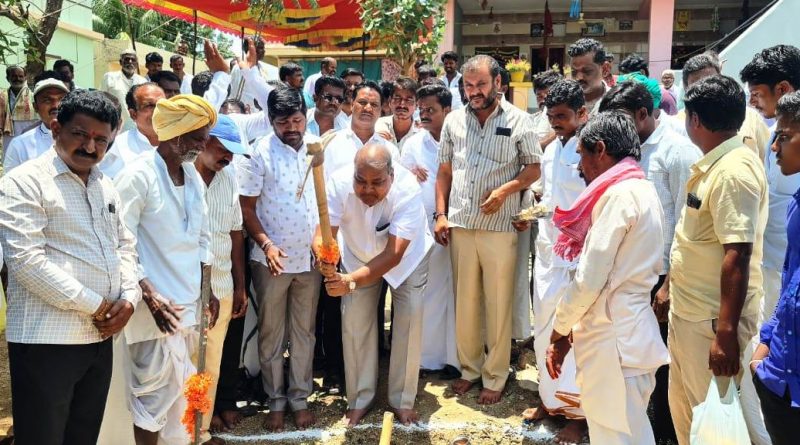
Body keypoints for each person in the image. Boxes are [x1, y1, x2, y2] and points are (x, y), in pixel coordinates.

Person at [0, 89, 137, 445]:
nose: (90, 147)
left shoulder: (105, 184)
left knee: (83, 436)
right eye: (80, 134)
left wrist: (129, 298)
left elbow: (125, 246)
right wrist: (99, 306)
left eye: (101, 140)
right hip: (48, 340)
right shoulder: (24, 181)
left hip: (98, 338)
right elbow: (25, 261)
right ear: (56, 128)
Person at [546, 111, 670, 445]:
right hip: (627, 334)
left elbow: (589, 279)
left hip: (614, 341)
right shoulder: (641, 189)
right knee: (628, 433)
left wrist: (560, 329)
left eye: (581, 155)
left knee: (615, 435)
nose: (579, 167)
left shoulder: (619, 196)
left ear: (600, 149)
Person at [435, 55, 542, 405]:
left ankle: (495, 374)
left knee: (498, 303)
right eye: (469, 85)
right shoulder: (453, 121)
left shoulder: (520, 120)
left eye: (481, 84)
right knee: (465, 303)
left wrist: (504, 191)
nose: (474, 91)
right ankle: (470, 369)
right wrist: (440, 214)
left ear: (498, 82)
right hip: (461, 224)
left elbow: (533, 169)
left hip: (499, 226)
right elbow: (444, 172)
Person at [114, 94, 220, 445]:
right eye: (197, 137)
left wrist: (208, 288)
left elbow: (202, 238)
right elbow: (120, 242)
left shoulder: (192, 177)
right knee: (152, 399)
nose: (203, 145)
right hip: (153, 310)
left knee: (182, 397)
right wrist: (149, 294)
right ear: (175, 135)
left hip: (188, 304)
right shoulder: (137, 176)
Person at [599, 80, 701, 443]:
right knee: (632, 361)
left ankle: (664, 434)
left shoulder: (677, 152)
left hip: (662, 279)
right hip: (628, 277)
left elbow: (688, 224)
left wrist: (669, 284)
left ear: (643, 114)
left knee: (661, 363)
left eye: (622, 118)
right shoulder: (623, 151)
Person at [668, 75, 767, 445]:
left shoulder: (733, 171)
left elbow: (737, 255)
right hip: (691, 313)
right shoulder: (715, 164)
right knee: (690, 417)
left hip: (711, 323)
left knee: (715, 427)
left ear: (695, 120)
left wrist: (725, 335)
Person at [319, 143, 434, 426]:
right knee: (354, 323)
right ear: (353, 174)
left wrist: (350, 282)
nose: (367, 189)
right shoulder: (337, 183)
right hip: (357, 255)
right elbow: (323, 233)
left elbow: (393, 255)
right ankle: (359, 399)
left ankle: (402, 400)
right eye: (361, 181)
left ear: (391, 176)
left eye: (377, 183)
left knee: (409, 320)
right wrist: (324, 257)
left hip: (407, 260)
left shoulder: (408, 190)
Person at [237, 87, 321, 432]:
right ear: (271, 121)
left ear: (306, 116)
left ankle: (299, 399)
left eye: (297, 120)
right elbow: (246, 208)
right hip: (271, 260)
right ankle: (275, 401)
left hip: (310, 260)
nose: (292, 128)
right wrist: (267, 245)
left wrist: (323, 242)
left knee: (304, 332)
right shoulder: (259, 153)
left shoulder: (316, 148)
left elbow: (325, 201)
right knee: (272, 333)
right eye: (283, 122)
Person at [738, 43, 800, 445]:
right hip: (778, 274)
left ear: (783, 88)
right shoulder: (778, 139)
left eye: (759, 95)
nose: (754, 104)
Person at [521, 79, 588, 443]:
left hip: (577, 258)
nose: (556, 123)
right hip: (548, 252)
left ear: (582, 113)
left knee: (573, 335)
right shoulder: (550, 150)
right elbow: (549, 198)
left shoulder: (590, 149)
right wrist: (530, 214)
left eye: (562, 117)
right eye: (551, 117)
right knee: (544, 329)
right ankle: (549, 401)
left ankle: (577, 415)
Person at [193, 114, 249, 445]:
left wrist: (240, 286)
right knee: (185, 365)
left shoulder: (228, 179)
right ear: (203, 141)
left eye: (231, 152)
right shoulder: (181, 176)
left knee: (211, 363)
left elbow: (235, 233)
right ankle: (180, 433)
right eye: (222, 148)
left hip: (223, 286)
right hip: (186, 289)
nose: (227, 157)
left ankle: (200, 432)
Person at [399, 83, 459, 376]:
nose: (423, 115)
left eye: (430, 110)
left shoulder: (461, 138)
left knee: (458, 292)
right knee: (431, 291)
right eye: (421, 109)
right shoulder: (413, 144)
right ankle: (428, 358)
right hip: (425, 231)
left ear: (447, 110)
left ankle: (457, 358)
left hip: (459, 226)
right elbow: (399, 180)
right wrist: (408, 173)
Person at [680, 52, 771, 159]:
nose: (707, 89)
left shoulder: (751, 118)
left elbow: (767, 160)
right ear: (686, 88)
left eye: (712, 81)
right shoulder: (677, 124)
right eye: (698, 85)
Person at [323, 81, 400, 179]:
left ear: (380, 110)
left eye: (374, 104)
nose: (368, 108)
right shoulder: (330, 143)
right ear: (352, 105)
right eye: (362, 102)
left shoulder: (390, 151)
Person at [98, 83, 165, 179]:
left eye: (162, 104)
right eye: (150, 105)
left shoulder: (179, 141)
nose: (158, 110)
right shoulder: (119, 147)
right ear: (133, 114)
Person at [3, 78, 70, 171]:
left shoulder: (85, 139)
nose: (56, 105)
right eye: (47, 100)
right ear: (35, 107)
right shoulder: (20, 145)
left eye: (61, 99)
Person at [101, 50, 147, 132]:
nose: (130, 62)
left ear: (136, 64)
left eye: (133, 60)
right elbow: (102, 100)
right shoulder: (109, 77)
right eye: (127, 59)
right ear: (120, 62)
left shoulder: (143, 81)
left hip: (135, 127)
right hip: (113, 125)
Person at [376, 76, 421, 150]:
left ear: (417, 105)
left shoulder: (421, 133)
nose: (402, 104)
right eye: (397, 98)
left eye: (408, 100)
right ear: (390, 101)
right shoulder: (377, 126)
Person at [230, 37, 276, 111]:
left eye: (263, 48)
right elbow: (236, 92)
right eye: (261, 48)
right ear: (251, 49)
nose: (264, 51)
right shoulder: (239, 68)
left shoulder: (262, 68)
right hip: (245, 111)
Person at [568, 38, 611, 114]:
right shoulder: (560, 101)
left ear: (605, 69)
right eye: (574, 71)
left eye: (587, 71)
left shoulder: (617, 103)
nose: (579, 77)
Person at [2, 65, 37, 149]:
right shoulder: (2, 97)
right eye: (14, 76)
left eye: (20, 76)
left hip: (28, 140)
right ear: (7, 78)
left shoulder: (34, 97)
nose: (17, 79)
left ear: (25, 78)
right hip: (8, 140)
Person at [531, 70, 562, 148]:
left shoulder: (565, 119)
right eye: (539, 96)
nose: (543, 100)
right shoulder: (531, 120)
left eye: (548, 95)